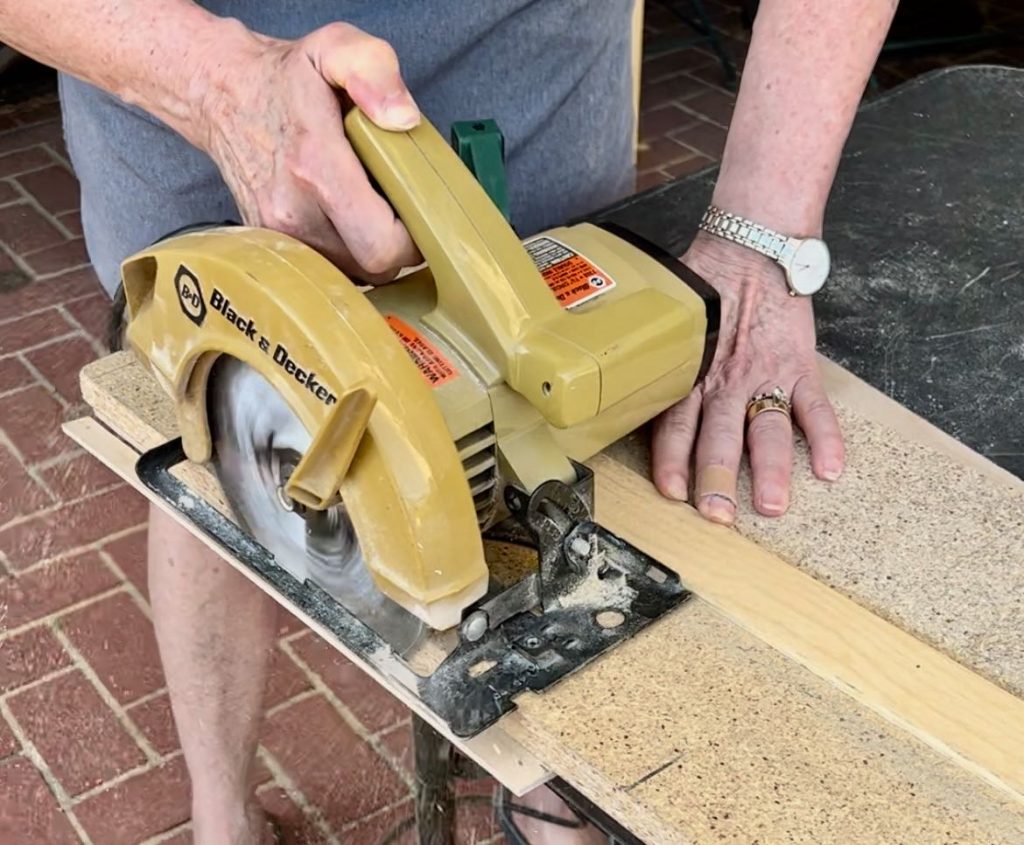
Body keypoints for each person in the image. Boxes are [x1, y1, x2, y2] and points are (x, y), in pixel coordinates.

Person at [0, 1, 897, 842]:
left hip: (524, 70)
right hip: (169, 65)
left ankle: (556, 798)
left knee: (558, 450)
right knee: (213, 478)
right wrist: (211, 83)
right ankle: (222, 814)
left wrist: (764, 235)